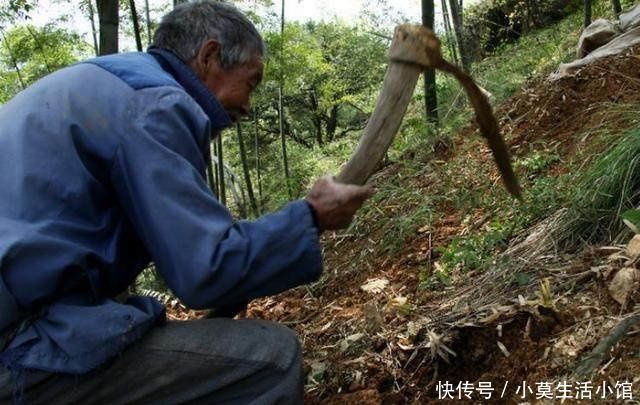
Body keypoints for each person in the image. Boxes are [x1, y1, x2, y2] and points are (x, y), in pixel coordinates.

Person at [0, 1, 372, 403]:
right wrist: (310, 216)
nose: (247, 106)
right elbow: (205, 269)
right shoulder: (156, 104)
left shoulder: (106, 81)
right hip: (20, 348)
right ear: (209, 56)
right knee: (271, 359)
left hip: (25, 326)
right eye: (251, 82)